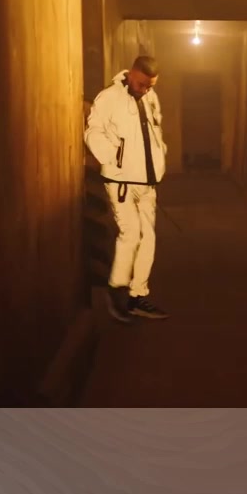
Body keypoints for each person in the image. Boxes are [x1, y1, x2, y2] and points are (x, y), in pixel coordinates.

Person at [84, 56, 171, 323]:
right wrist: (112, 156)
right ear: (131, 73)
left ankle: (137, 296)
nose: (145, 89)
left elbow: (155, 133)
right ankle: (117, 290)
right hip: (121, 181)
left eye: (150, 85)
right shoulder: (109, 98)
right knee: (130, 235)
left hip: (147, 182)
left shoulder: (150, 98)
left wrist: (160, 158)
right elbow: (93, 131)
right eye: (142, 84)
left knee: (148, 239)